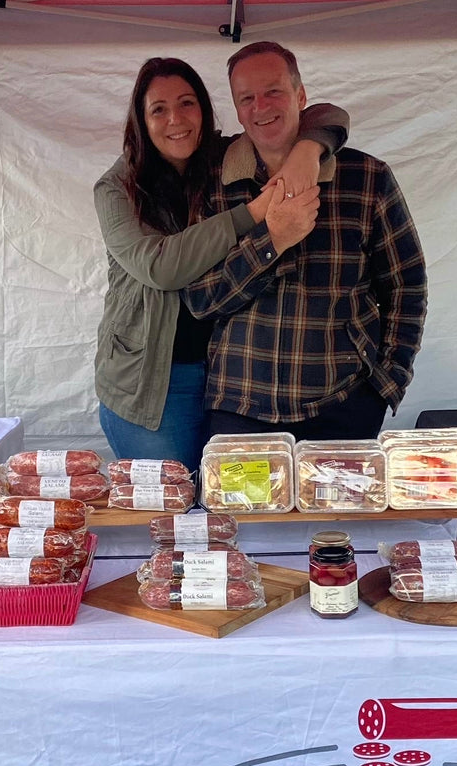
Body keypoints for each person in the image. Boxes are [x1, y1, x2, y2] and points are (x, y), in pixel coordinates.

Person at [93, 57, 349, 471]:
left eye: (187, 103)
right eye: (159, 109)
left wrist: (308, 149)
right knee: (175, 508)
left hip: (230, 381)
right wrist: (254, 212)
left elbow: (328, 114)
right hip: (155, 382)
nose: (176, 119)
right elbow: (160, 267)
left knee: (231, 503)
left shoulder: (221, 161)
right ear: (140, 119)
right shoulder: (116, 189)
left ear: (205, 109)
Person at [182, 41, 428, 441]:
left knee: (336, 507)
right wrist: (272, 242)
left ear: (301, 95)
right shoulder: (212, 183)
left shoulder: (366, 178)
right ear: (238, 110)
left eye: (273, 91)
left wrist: (386, 385)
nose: (261, 107)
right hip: (239, 406)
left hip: (344, 405)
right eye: (247, 98)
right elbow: (200, 299)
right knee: (239, 508)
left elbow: (407, 287)